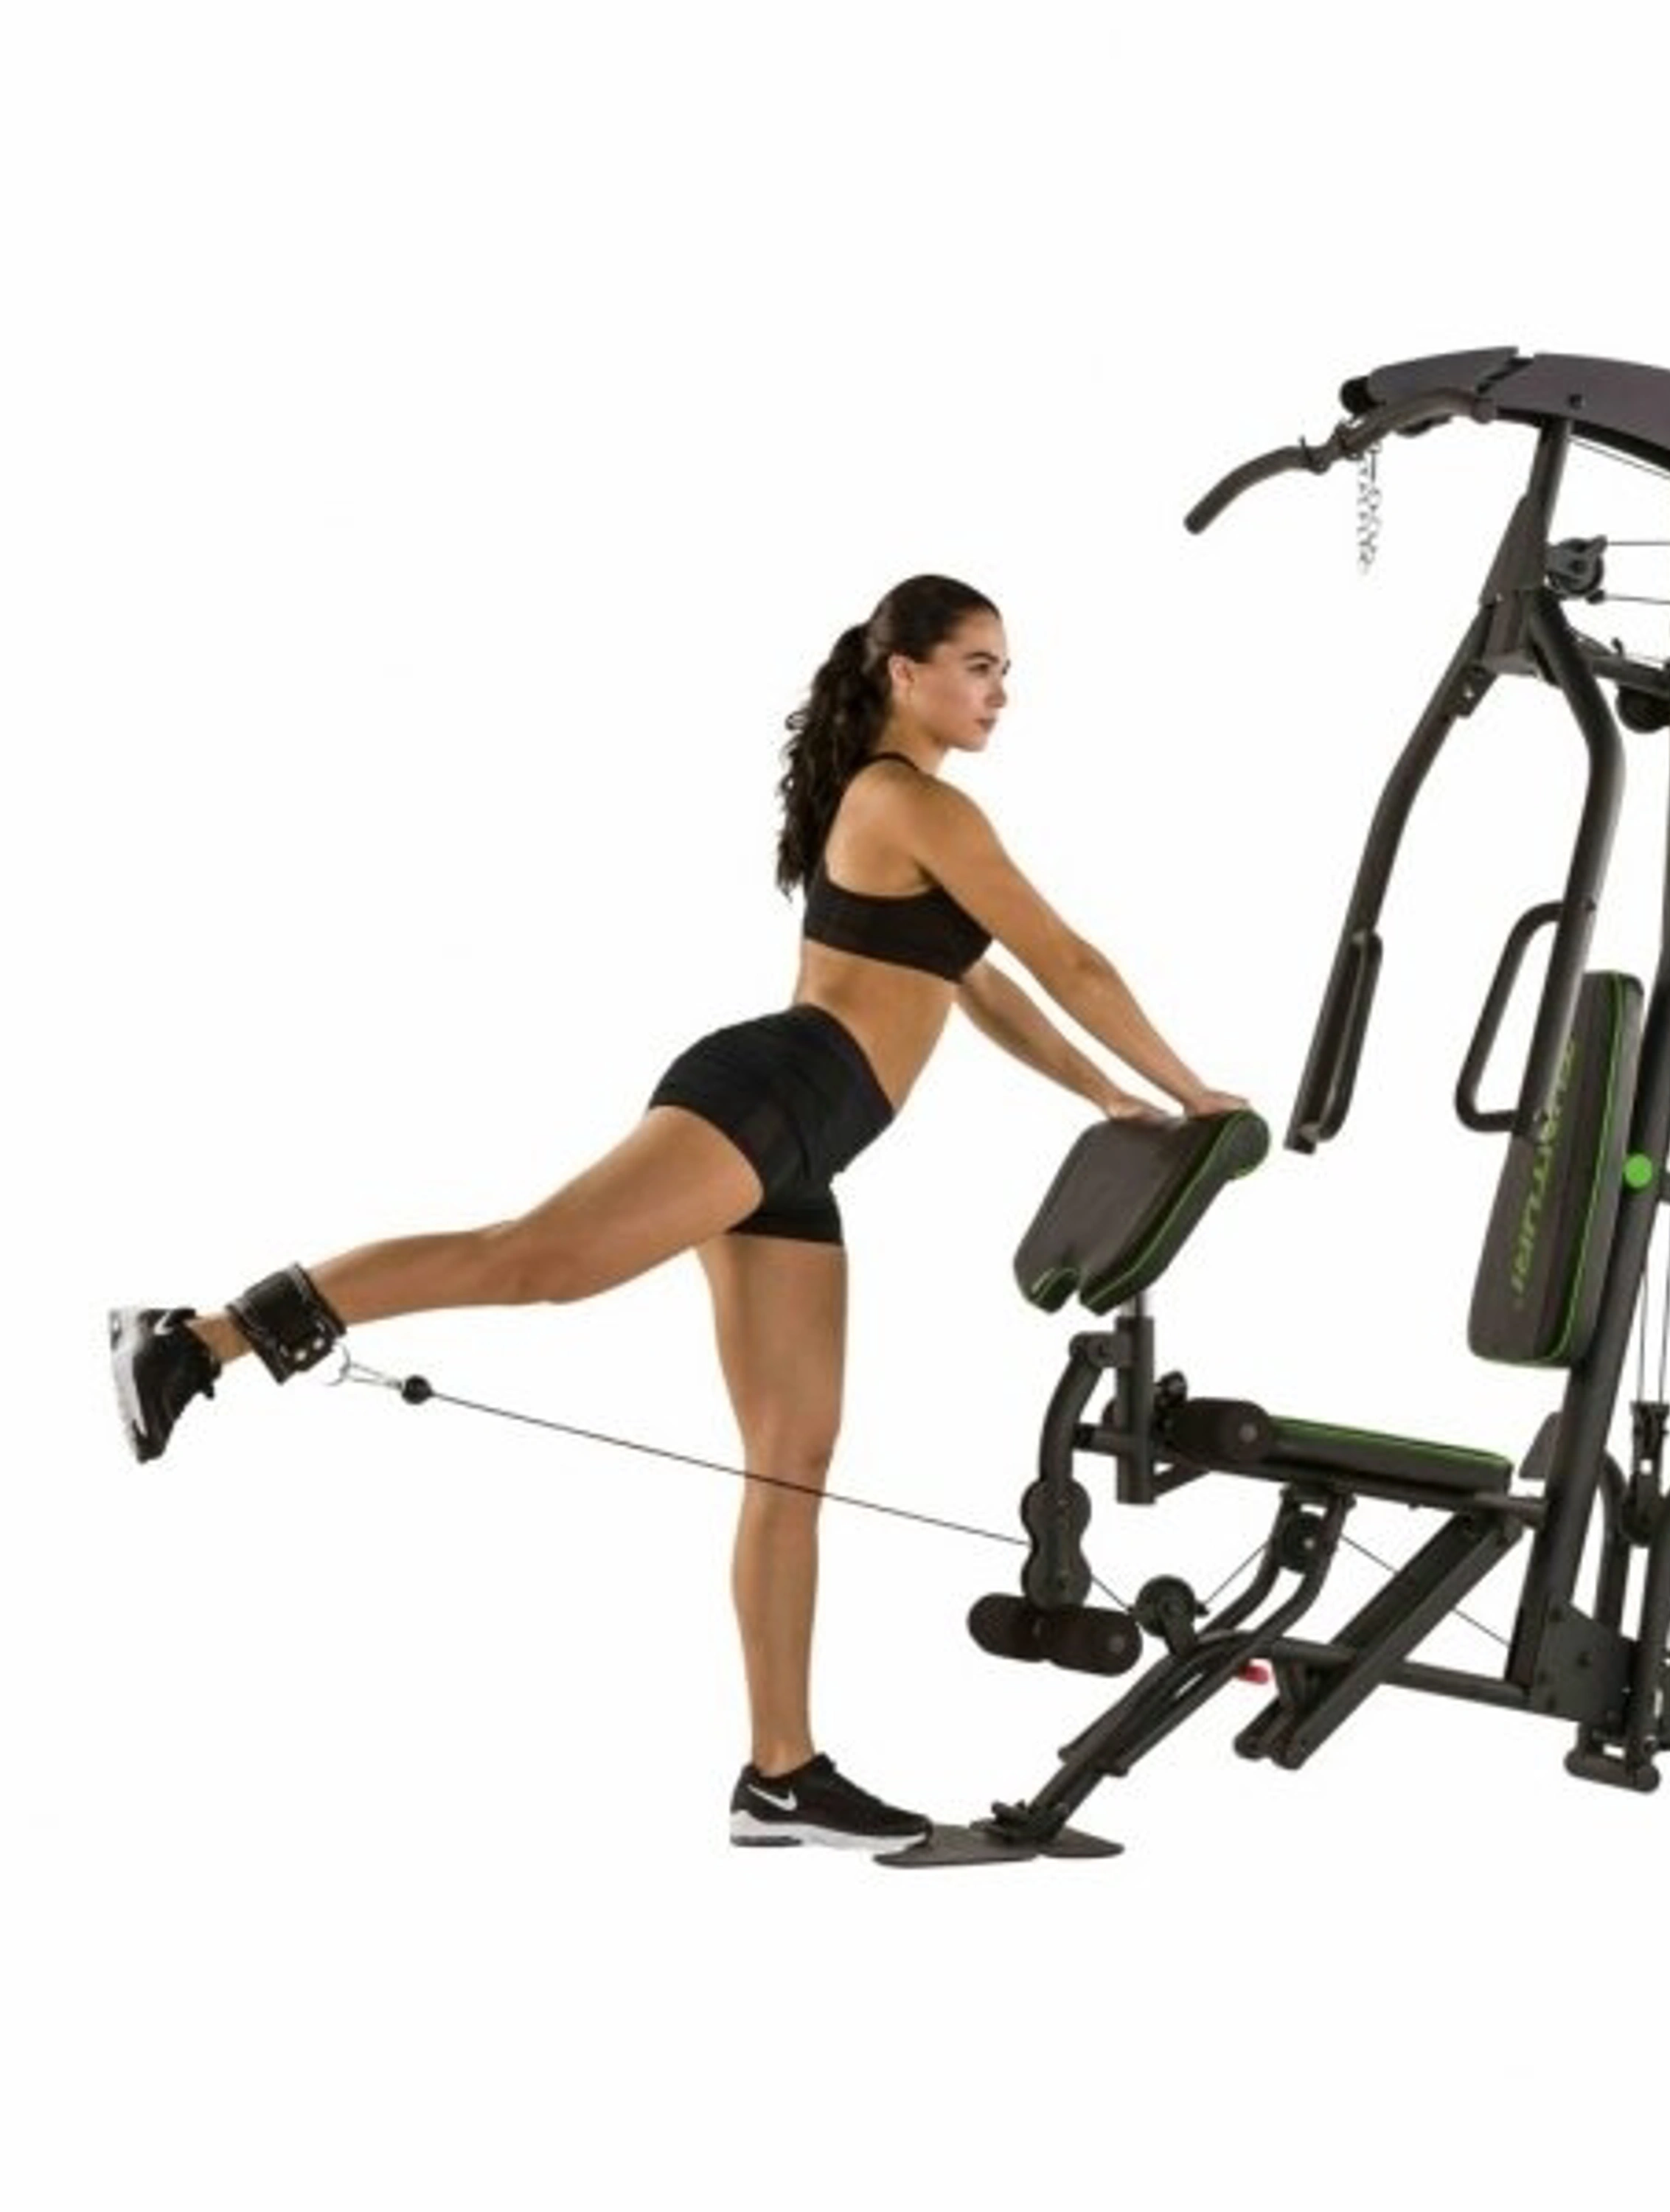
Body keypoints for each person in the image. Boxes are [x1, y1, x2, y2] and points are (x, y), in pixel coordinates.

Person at [108, 573, 1246, 1853]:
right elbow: (1069, 958)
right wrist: (1193, 1090)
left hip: (808, 1145)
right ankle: (198, 1337)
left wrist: (1107, 1094)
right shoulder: (911, 800)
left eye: (1005, 671)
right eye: (978, 666)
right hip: (775, 1096)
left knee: (792, 1457)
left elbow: (981, 986)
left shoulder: (900, 808)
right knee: (540, 1261)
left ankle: (781, 1776)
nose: (1001, 694)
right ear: (904, 671)